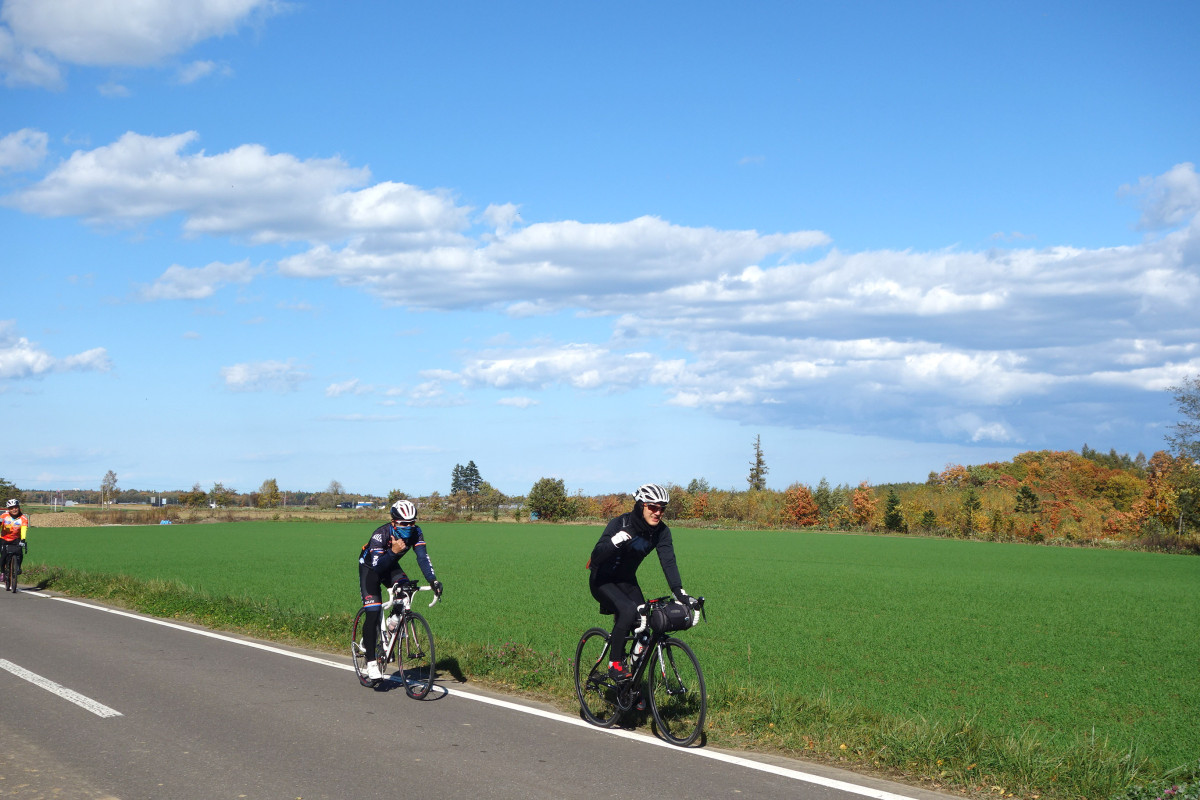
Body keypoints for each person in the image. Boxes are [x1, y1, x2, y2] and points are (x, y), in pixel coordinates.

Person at [587, 483, 697, 682]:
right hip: (602, 579)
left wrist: (679, 592)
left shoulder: (662, 532)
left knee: (645, 629)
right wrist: (614, 542)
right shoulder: (620, 524)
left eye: (662, 509)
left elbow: (668, 561)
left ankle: (631, 687)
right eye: (652, 507)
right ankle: (615, 664)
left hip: (627, 580)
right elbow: (595, 557)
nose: (658, 513)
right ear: (640, 505)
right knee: (628, 611)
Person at [358, 500, 443, 682]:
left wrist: (433, 580)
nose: (409, 527)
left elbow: (423, 558)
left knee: (406, 590)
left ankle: (392, 624)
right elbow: (378, 568)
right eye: (404, 523)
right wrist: (394, 551)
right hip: (371, 569)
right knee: (373, 612)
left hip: (390, 564)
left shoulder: (416, 532)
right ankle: (371, 661)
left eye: (412, 522)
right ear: (394, 522)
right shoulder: (380, 535)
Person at [0, 499, 28, 584]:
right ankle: (3, 572)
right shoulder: (4, 516)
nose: (14, 509)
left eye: (16, 507)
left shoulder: (23, 518)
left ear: (19, 507)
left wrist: (23, 539)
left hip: (16, 539)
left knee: (19, 553)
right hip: (4, 538)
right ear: (8, 509)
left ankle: (17, 567)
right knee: (3, 556)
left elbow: (23, 529)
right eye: (11, 508)